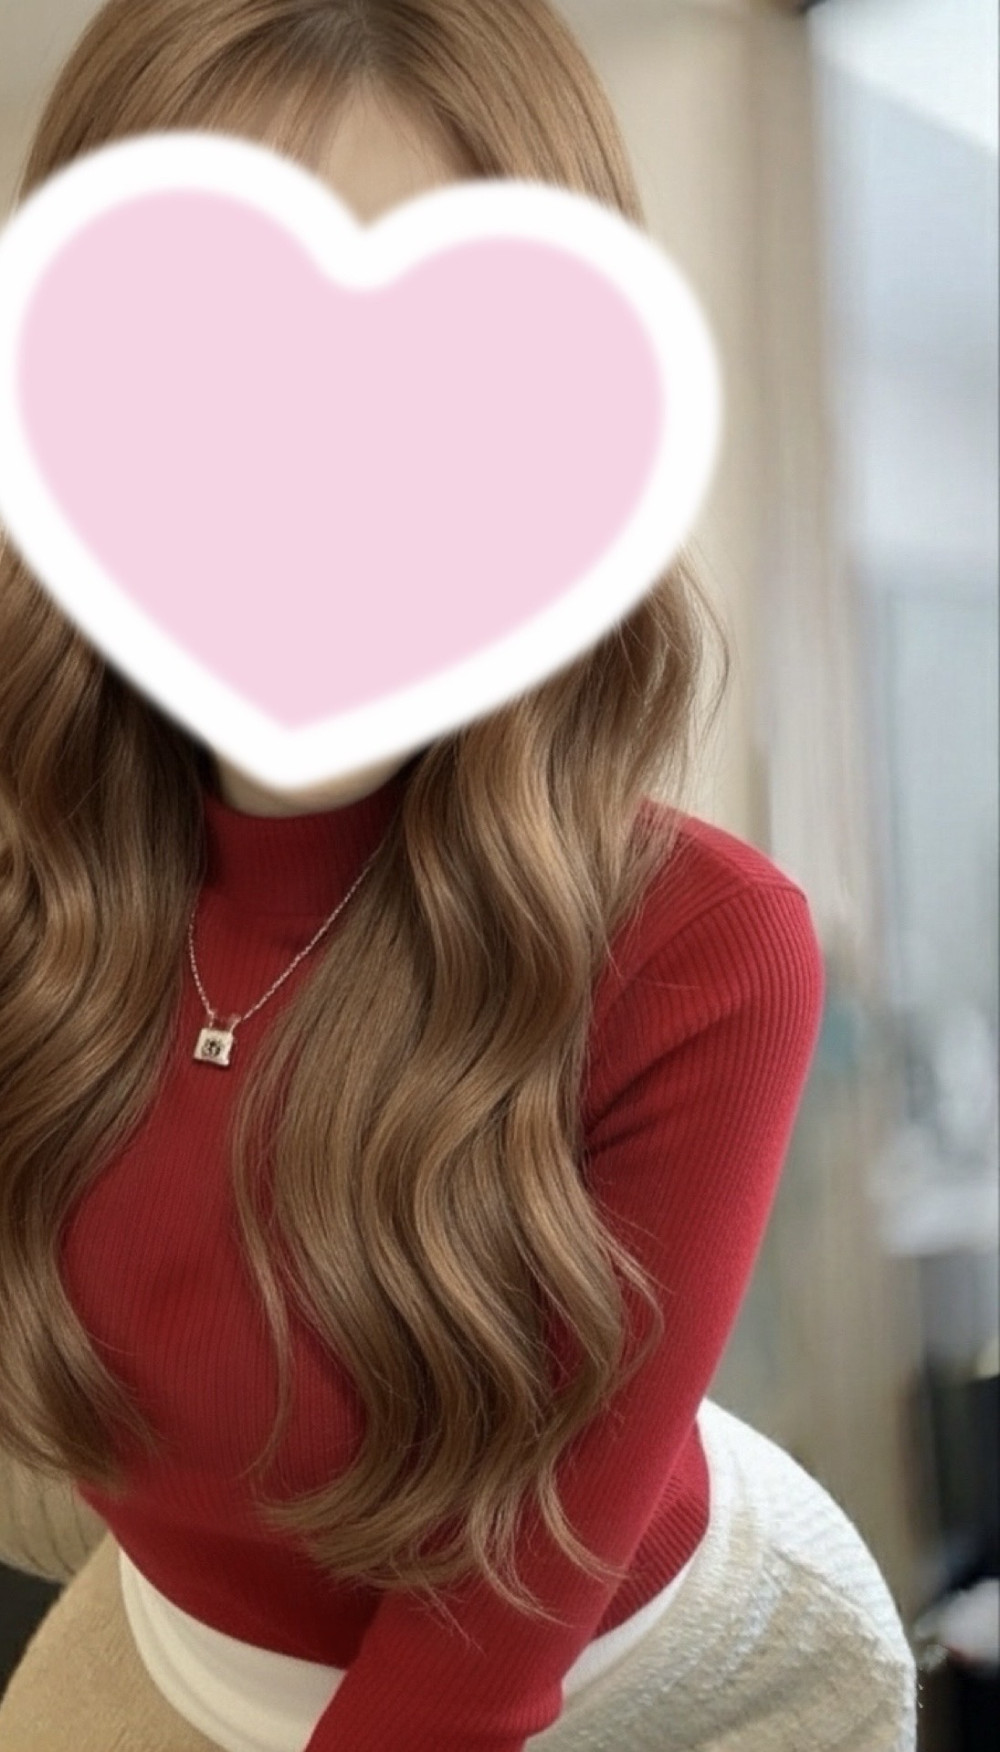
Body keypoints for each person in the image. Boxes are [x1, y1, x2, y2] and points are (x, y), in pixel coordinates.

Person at [0, 3, 917, 1749]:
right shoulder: (37, 877)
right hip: (166, 1654)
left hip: (670, 1682)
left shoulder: (702, 951)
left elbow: (486, 1634)